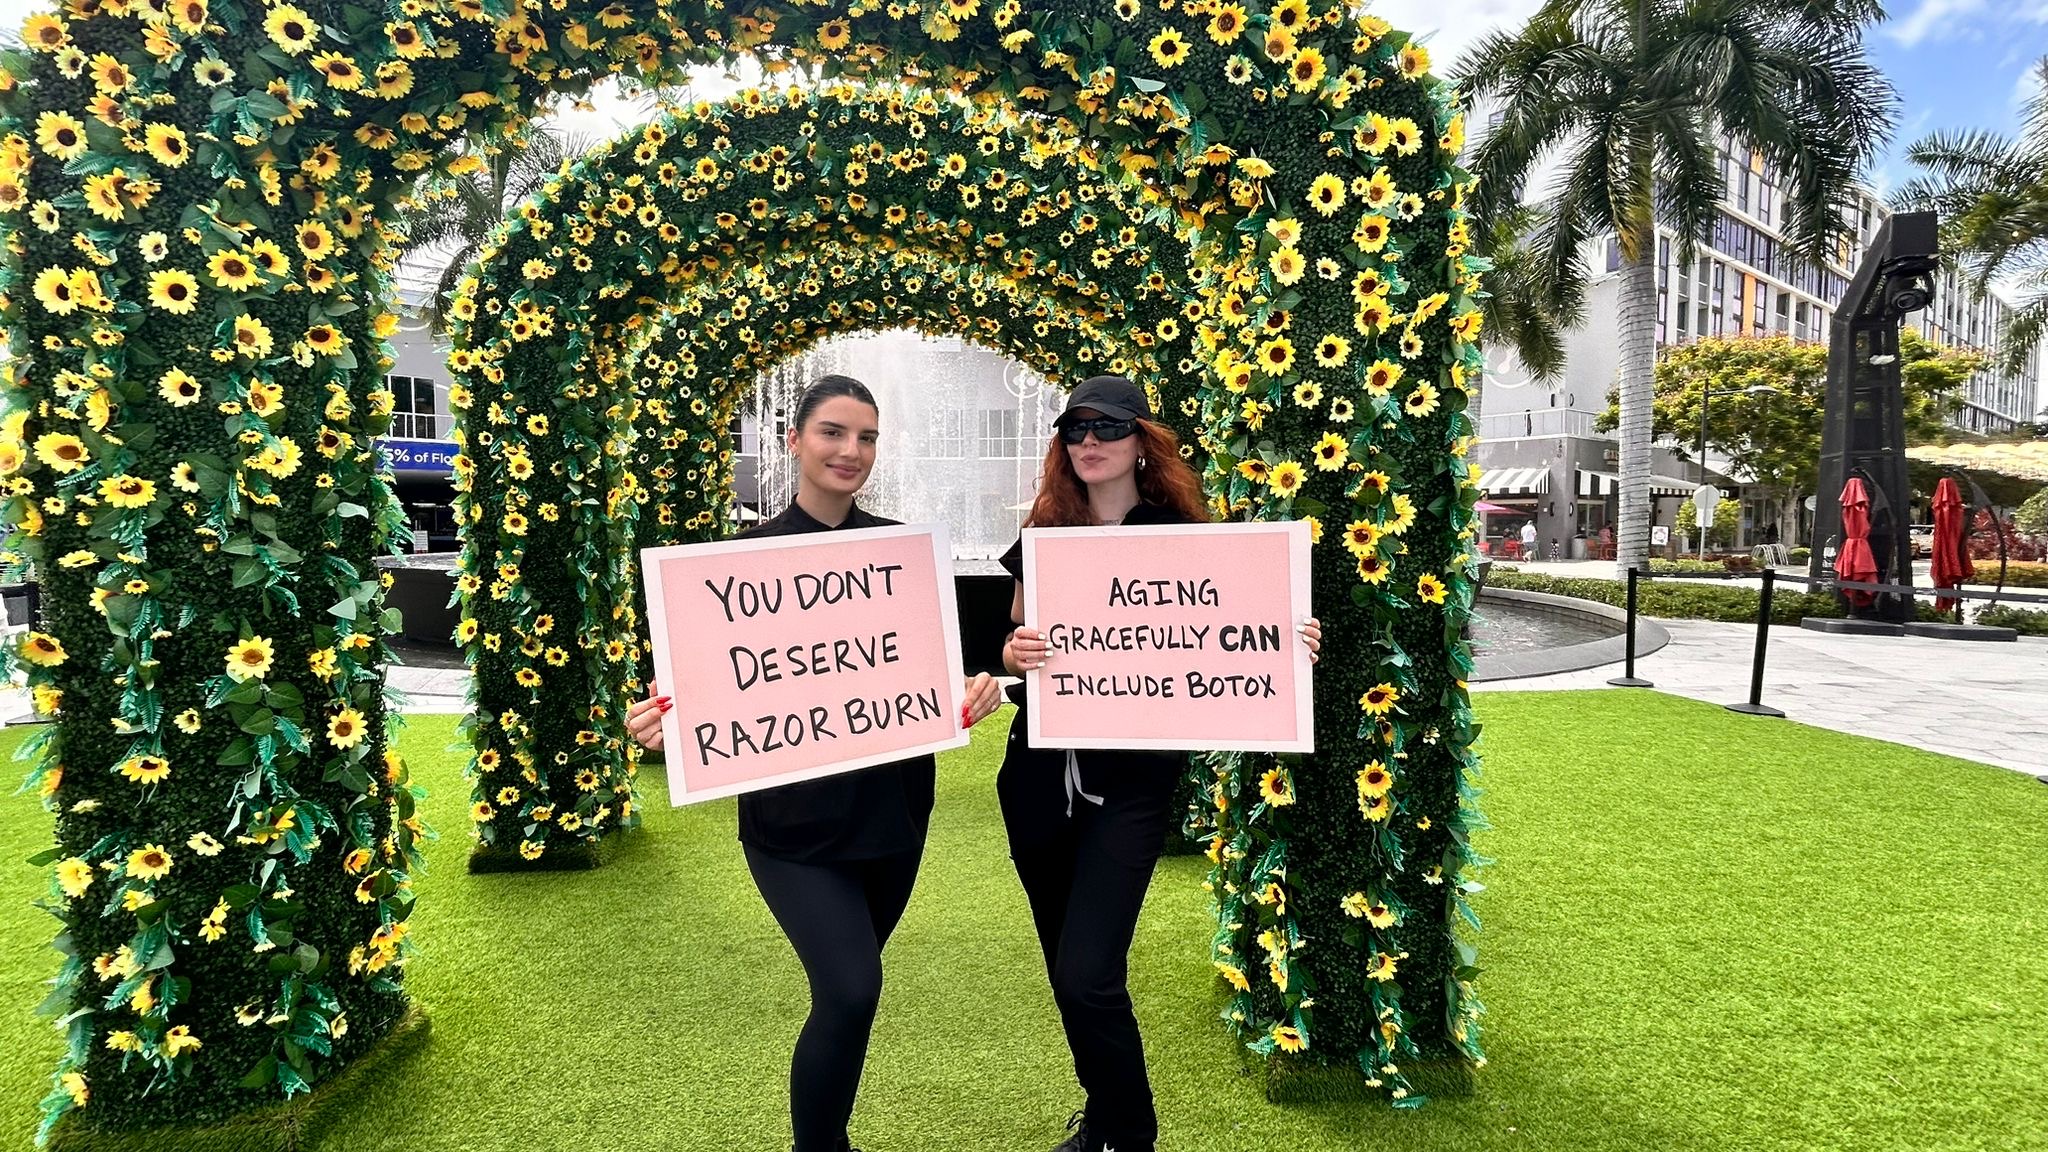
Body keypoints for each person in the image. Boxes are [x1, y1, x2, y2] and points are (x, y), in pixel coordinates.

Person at [626, 375, 1003, 1152]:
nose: (851, 451)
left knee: (847, 998)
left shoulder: (900, 554)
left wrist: (974, 692)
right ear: (793, 440)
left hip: (895, 819)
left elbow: (936, 680)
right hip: (792, 828)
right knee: (852, 987)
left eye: (866, 437)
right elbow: (691, 700)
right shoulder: (732, 568)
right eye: (833, 432)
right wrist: (661, 727)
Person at [997, 376, 1320, 1152]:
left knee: (1088, 974)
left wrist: (1290, 643)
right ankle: (1103, 1119)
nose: (1088, 442)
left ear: (1143, 440)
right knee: (1065, 970)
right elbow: (1008, 638)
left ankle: (1130, 1131)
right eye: (1074, 428)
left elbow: (1234, 628)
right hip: (1037, 780)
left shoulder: (1184, 535)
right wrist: (1013, 651)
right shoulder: (1044, 531)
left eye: (1107, 427)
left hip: (1130, 789)